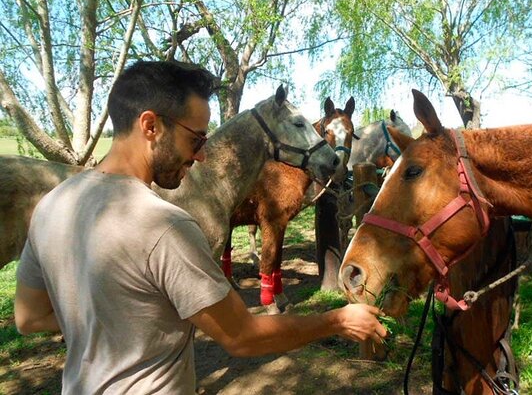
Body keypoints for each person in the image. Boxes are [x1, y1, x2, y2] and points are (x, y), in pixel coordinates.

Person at [14, 61, 386, 394]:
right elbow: (243, 337)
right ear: (150, 126)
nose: (202, 154)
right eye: (196, 139)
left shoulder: (52, 205)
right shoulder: (165, 225)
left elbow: (28, 318)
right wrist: (336, 320)